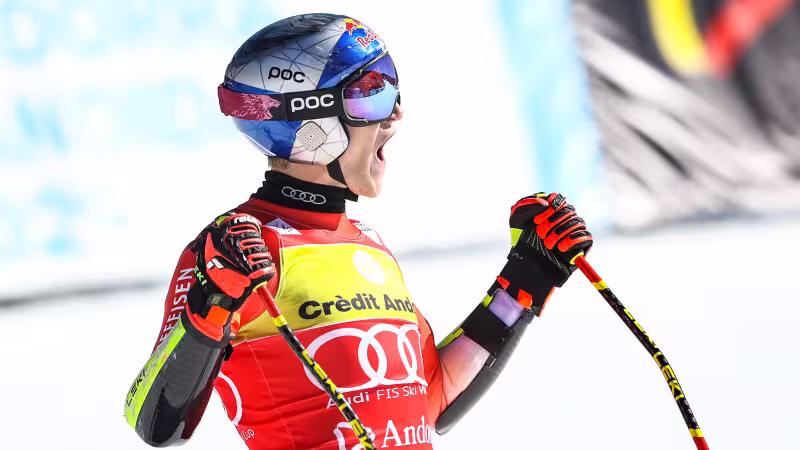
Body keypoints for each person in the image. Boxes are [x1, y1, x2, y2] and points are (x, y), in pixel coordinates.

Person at [123, 13, 593, 450]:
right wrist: (211, 305)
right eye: (371, 92)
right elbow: (155, 423)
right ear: (312, 122)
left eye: (390, 84)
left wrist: (526, 279)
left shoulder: (368, 244)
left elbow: (435, 399)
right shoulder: (240, 245)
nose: (395, 113)